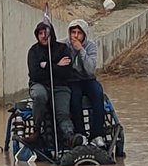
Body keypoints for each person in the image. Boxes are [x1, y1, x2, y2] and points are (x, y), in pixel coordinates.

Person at [27, 20, 80, 148]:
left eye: (46, 32)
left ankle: (69, 136)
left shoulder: (62, 49)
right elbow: (35, 74)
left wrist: (46, 65)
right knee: (39, 96)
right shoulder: (33, 51)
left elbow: (67, 72)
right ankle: (36, 131)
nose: (43, 36)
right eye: (40, 33)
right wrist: (57, 66)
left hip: (60, 86)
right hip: (39, 85)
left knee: (63, 112)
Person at [66, 18, 107, 143]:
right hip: (72, 80)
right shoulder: (63, 45)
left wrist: (81, 50)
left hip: (88, 79)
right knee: (75, 98)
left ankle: (97, 135)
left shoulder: (91, 46)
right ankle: (80, 134)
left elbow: (90, 69)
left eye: (79, 33)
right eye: (73, 32)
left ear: (84, 34)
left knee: (98, 94)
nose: (76, 36)